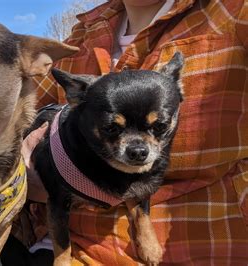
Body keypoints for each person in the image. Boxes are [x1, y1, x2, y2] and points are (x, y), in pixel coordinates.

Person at [14, 0, 248, 265]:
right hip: (61, 243)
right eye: (112, 128)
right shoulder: (81, 35)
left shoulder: (233, 12)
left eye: (158, 126)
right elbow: (18, 114)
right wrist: (17, 176)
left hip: (197, 244)